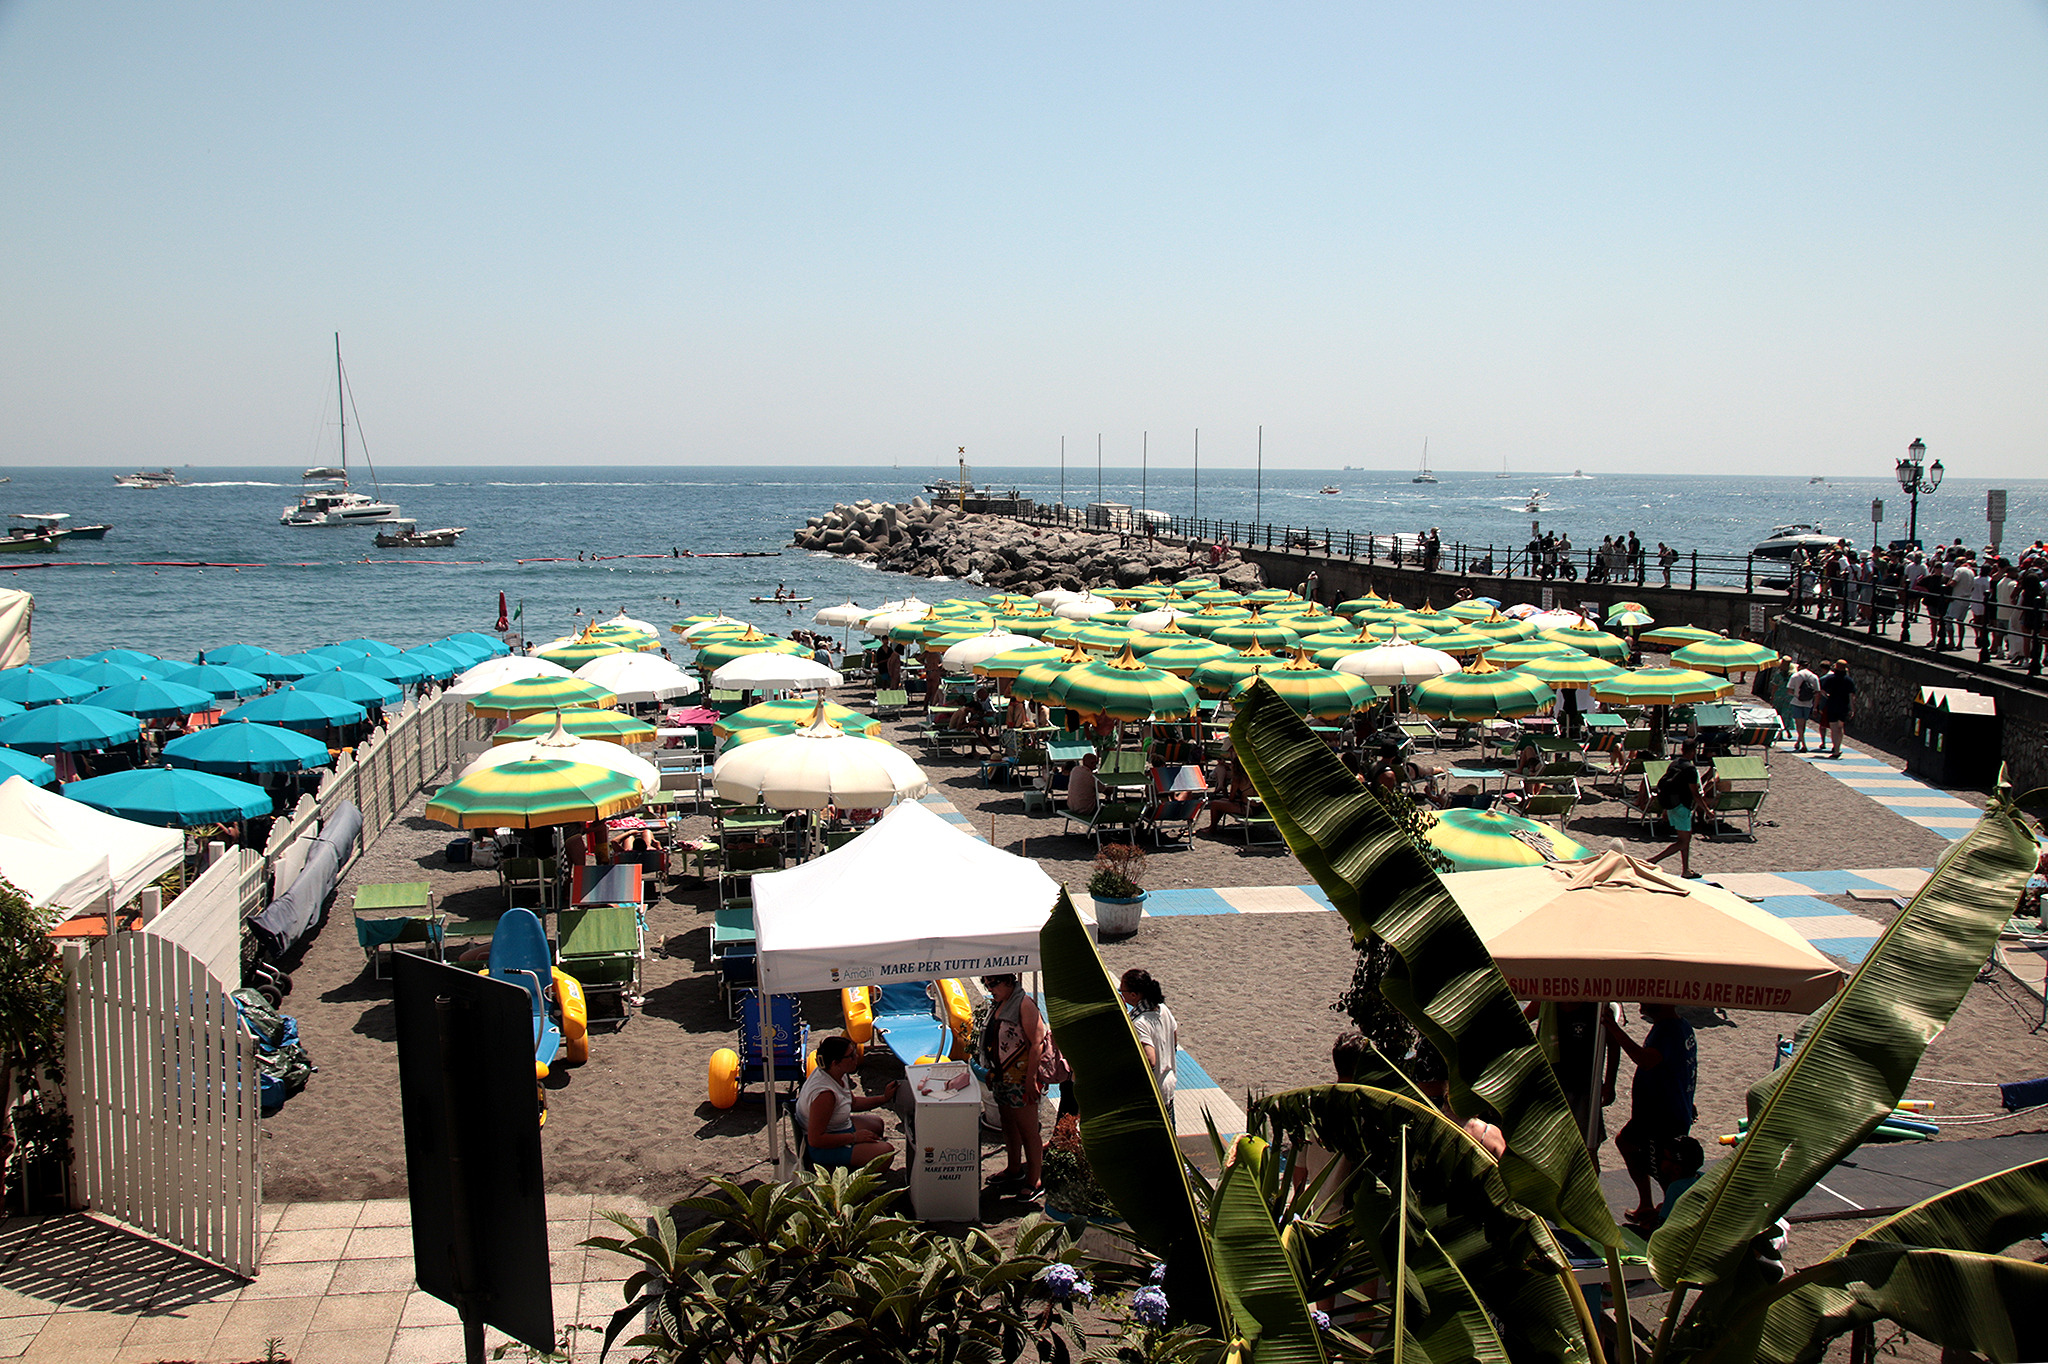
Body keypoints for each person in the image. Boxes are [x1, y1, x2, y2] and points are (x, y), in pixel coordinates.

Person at [1604, 1002, 1698, 1228]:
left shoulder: (1669, 1030)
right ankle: (1646, 1204)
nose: (1641, 1003)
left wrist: (1614, 1029)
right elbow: (1683, 1067)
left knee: (1665, 1167)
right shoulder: (1680, 1026)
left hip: (1662, 1115)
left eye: (1646, 1000)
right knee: (1626, 1143)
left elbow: (1645, 1059)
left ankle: (1666, 1216)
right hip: (1660, 1110)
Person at [979, 974, 1047, 1196]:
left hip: (1020, 1078)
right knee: (1008, 1125)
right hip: (1002, 1076)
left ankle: (1035, 1179)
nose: (990, 989)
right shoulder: (1000, 1002)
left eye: (993, 984)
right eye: (986, 985)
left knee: (1028, 1130)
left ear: (1008, 981)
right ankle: (1014, 1167)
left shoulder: (1024, 1004)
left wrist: (1031, 1079)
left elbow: (1037, 1043)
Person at [796, 1036, 898, 1170]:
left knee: (876, 1124)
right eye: (851, 1056)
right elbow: (816, 1140)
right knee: (885, 1153)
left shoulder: (836, 1073)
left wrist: (883, 1098)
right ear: (835, 1063)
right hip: (823, 1147)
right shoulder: (825, 1095)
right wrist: (854, 1137)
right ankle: (843, 1171)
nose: (856, 1057)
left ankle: (858, 1159)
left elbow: (853, 1103)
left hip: (836, 1128)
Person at [1119, 968, 1179, 1126]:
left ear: (1134, 995)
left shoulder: (1140, 1023)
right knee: (1169, 1132)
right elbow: (1174, 1037)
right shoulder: (1163, 1009)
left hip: (1153, 1093)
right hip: (1168, 1084)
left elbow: (1150, 1059)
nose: (1121, 994)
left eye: (1122, 991)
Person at [1647, 741, 1702, 878]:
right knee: (1683, 841)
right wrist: (1707, 811)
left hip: (1671, 804)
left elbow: (1668, 786)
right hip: (1682, 807)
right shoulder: (1690, 769)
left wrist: (1665, 809)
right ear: (1693, 752)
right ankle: (1654, 860)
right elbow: (1695, 794)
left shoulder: (1674, 764)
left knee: (1685, 839)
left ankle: (1686, 870)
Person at [1817, 658, 1856, 759]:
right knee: (1840, 727)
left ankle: (1836, 749)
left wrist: (1827, 696)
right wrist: (1852, 708)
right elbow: (1851, 696)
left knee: (1834, 728)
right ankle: (1838, 747)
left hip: (1832, 704)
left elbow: (1822, 690)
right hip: (1844, 705)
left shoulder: (1830, 679)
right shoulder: (1849, 680)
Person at [1785, 660, 1820, 752]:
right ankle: (1798, 742)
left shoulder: (1795, 676)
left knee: (1799, 724)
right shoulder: (1814, 677)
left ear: (1799, 666)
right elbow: (1817, 692)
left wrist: (1797, 695)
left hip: (1797, 702)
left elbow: (1789, 690)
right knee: (1803, 724)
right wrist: (1815, 707)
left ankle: (1803, 744)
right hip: (1808, 703)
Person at [1064, 751, 1101, 817]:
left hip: (1072, 806)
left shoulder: (1075, 770)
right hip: (1086, 809)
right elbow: (1106, 790)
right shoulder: (1091, 776)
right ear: (1093, 763)